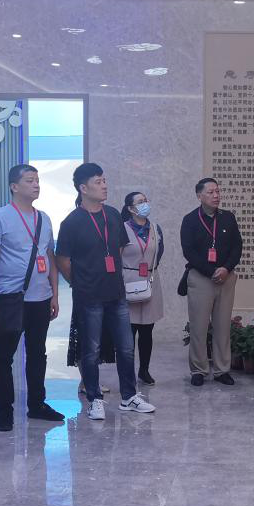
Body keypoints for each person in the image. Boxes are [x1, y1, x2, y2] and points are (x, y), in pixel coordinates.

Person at [55, 163, 155, 420]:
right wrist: (80, 281)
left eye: (104, 181)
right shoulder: (71, 222)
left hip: (116, 293)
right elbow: (62, 259)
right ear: (83, 188)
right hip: (88, 295)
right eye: (98, 182)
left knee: (126, 347)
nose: (104, 186)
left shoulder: (112, 215)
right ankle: (94, 399)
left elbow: (118, 249)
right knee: (91, 350)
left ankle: (129, 397)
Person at [0, 165, 63, 431]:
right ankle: (5, 412)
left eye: (37, 180)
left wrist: (54, 294)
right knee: (5, 355)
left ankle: (37, 405)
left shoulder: (44, 218)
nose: (36, 185)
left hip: (41, 298)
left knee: (38, 353)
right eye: (29, 181)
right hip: (10, 297)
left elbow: (49, 257)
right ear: (14, 186)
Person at [180, 177, 242, 386]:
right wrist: (211, 271)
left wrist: (226, 268)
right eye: (211, 192)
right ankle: (198, 370)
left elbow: (237, 246)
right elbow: (188, 251)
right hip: (201, 278)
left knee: (223, 326)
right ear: (199, 196)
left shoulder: (228, 218)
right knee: (198, 327)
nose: (216, 196)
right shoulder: (190, 220)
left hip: (226, 278)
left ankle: (222, 370)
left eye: (217, 191)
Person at [120, 191, 165, 385]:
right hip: (128, 281)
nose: (145, 204)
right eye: (140, 202)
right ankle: (127, 372)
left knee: (147, 330)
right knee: (129, 332)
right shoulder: (122, 228)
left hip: (150, 281)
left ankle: (144, 370)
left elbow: (159, 253)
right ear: (131, 208)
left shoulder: (155, 228)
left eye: (146, 200)